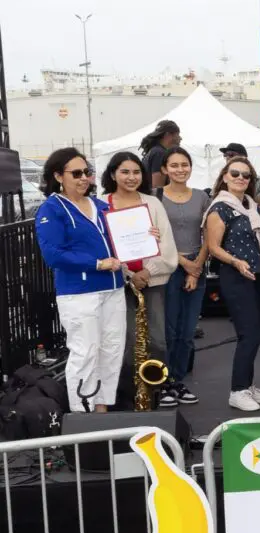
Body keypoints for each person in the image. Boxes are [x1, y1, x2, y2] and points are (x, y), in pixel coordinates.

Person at [35, 148, 125, 413]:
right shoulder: (51, 208)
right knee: (85, 352)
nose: (84, 178)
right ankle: (82, 415)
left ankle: (102, 409)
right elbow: (53, 254)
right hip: (79, 292)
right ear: (58, 176)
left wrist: (143, 237)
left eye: (87, 172)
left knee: (111, 350)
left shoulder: (101, 206)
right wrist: (96, 264)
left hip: (112, 287)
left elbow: (119, 240)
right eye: (76, 173)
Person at [99, 152, 179, 406]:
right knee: (123, 342)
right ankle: (126, 397)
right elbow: (99, 247)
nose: (131, 177)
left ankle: (155, 392)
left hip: (151, 283)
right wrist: (129, 275)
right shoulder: (101, 205)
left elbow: (167, 243)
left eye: (136, 172)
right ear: (113, 174)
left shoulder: (152, 204)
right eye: (125, 172)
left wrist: (147, 272)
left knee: (156, 340)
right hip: (116, 285)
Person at [205, 158, 260, 412]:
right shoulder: (219, 208)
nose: (240, 178)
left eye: (246, 175)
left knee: (255, 332)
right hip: (235, 275)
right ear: (224, 176)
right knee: (249, 334)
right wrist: (236, 262)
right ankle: (237, 391)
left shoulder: (252, 206)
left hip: (258, 273)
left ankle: (247, 385)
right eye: (235, 173)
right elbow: (213, 247)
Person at [157, 146, 208, 407]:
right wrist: (185, 264)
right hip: (167, 270)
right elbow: (155, 238)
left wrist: (196, 267)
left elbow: (209, 236)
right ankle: (164, 383)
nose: (180, 170)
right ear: (165, 169)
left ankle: (177, 380)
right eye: (174, 165)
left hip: (196, 270)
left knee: (187, 332)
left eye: (184, 164)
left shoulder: (201, 197)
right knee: (168, 330)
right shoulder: (155, 198)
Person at [139, 120, 181, 189]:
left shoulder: (154, 150)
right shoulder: (160, 153)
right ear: (168, 135)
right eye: (178, 134)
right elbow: (158, 188)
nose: (180, 138)